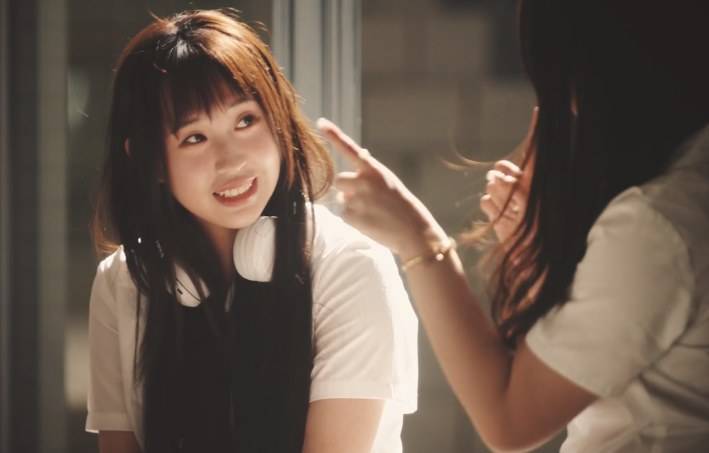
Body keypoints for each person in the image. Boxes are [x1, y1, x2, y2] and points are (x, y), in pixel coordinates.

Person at [317, 1, 709, 452]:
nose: (568, 108)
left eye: (560, 84)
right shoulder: (681, 197)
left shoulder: (658, 226)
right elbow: (566, 373)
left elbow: (510, 422)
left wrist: (420, 240)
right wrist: (532, 259)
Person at [86, 9, 417, 453]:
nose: (232, 160)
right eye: (195, 138)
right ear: (150, 161)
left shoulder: (351, 269)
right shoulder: (124, 281)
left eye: (246, 121)